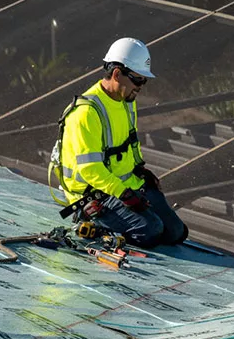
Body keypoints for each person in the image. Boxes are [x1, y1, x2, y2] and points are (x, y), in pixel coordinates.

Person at [58, 37, 187, 248]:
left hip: (123, 186)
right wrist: (124, 194)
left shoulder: (126, 102)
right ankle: (90, 220)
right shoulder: (87, 112)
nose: (141, 86)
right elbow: (90, 169)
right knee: (151, 231)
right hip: (95, 195)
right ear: (117, 74)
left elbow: (130, 144)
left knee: (176, 232)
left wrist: (140, 170)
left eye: (144, 81)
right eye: (137, 79)